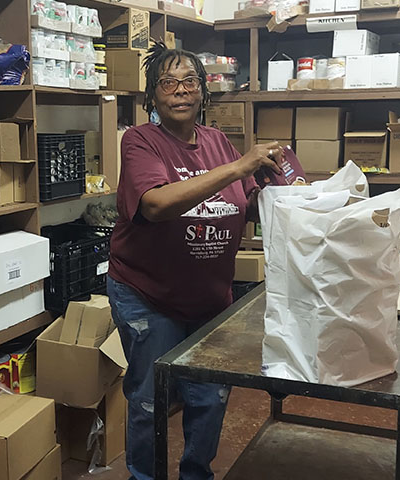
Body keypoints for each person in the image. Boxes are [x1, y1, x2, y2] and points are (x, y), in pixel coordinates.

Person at [107, 41, 284, 480]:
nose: (180, 91)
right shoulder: (140, 141)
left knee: (209, 397)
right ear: (152, 96)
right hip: (148, 294)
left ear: (203, 92)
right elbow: (155, 205)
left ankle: (196, 475)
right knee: (151, 398)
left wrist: (281, 197)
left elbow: (239, 203)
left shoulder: (218, 142)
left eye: (190, 81)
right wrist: (239, 168)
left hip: (209, 299)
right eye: (169, 82)